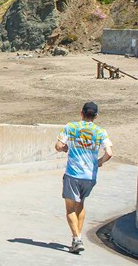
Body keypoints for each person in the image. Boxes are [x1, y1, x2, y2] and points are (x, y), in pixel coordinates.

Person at [54, 101, 113, 254]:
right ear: (96, 116)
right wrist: (99, 162)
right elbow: (109, 153)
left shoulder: (71, 127)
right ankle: (76, 239)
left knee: (70, 208)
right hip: (90, 176)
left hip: (73, 174)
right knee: (81, 204)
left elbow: (58, 145)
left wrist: (65, 148)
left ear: (81, 112)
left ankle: (77, 238)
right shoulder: (101, 131)